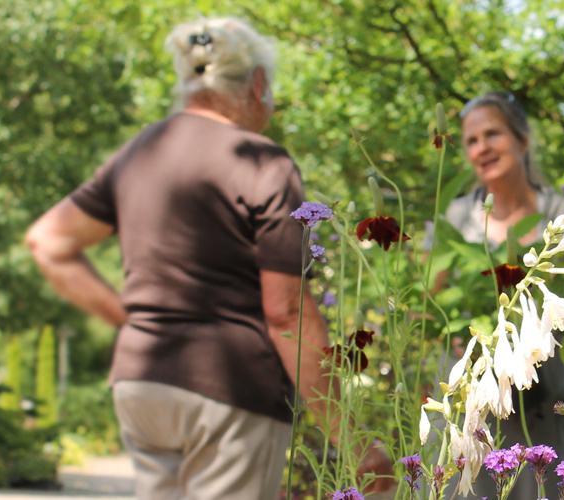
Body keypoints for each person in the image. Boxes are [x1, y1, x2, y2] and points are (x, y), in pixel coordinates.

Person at [24, 17, 387, 499]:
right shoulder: (262, 161)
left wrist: (129, 319)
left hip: (143, 384)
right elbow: (287, 312)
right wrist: (351, 436)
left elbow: (48, 240)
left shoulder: (140, 152)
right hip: (229, 388)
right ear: (257, 83)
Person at [441, 91, 564, 499]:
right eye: (471, 140)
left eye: (492, 134)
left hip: (547, 394)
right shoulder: (456, 217)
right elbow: (434, 302)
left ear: (522, 140)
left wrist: (547, 322)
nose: (481, 147)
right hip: (476, 398)